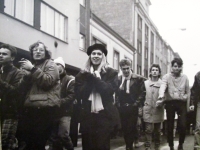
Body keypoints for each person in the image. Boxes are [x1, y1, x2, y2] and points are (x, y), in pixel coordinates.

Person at [75, 43, 119, 150]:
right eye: (93, 53)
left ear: (103, 57)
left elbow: (108, 91)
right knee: (88, 146)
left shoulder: (111, 73)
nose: (95, 56)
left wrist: (97, 79)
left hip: (104, 115)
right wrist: (91, 79)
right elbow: (80, 94)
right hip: (87, 116)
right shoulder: (82, 74)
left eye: (99, 54)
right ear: (90, 56)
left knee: (102, 146)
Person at [18, 41, 60, 150]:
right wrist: (26, 76)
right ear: (31, 53)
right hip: (30, 107)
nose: (38, 52)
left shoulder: (51, 64)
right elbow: (21, 89)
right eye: (35, 50)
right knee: (28, 143)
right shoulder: (31, 66)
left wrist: (32, 69)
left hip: (44, 108)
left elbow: (48, 82)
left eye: (41, 50)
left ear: (46, 53)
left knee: (38, 142)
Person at [158, 58, 190, 150]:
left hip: (181, 103)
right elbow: (163, 86)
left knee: (183, 124)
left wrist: (188, 106)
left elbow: (188, 92)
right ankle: (171, 145)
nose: (177, 68)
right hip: (170, 103)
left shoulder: (185, 78)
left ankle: (181, 143)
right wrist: (161, 95)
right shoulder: (166, 77)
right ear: (171, 67)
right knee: (170, 124)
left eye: (179, 66)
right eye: (175, 66)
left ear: (181, 67)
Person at [0, 43, 24, 150]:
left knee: (5, 144)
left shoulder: (18, 73)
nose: (0, 56)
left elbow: (15, 91)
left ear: (12, 58)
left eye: (4, 54)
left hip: (9, 114)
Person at [116, 59, 143, 150]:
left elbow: (142, 93)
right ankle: (128, 144)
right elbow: (116, 93)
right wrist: (118, 104)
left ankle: (129, 146)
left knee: (131, 127)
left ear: (130, 67)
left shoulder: (138, 78)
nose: (126, 71)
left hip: (133, 107)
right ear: (121, 69)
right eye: (124, 69)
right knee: (124, 128)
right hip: (122, 107)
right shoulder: (119, 79)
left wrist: (136, 104)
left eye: (127, 68)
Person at [47, 57, 75, 150]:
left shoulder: (70, 79)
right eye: (54, 64)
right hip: (53, 112)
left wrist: (59, 102)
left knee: (63, 135)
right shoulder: (51, 79)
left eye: (58, 64)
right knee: (54, 137)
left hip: (65, 112)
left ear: (63, 67)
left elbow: (72, 95)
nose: (55, 66)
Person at [139, 64, 164, 150]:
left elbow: (165, 96)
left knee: (157, 131)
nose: (154, 71)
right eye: (153, 70)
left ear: (159, 72)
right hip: (148, 109)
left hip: (158, 109)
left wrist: (162, 101)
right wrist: (141, 108)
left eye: (156, 70)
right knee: (148, 129)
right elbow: (141, 96)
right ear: (150, 72)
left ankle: (157, 146)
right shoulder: (145, 83)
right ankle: (148, 147)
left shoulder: (162, 84)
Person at [190, 71, 200, 150]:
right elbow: (193, 91)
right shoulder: (198, 75)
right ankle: (197, 147)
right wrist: (192, 103)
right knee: (198, 126)